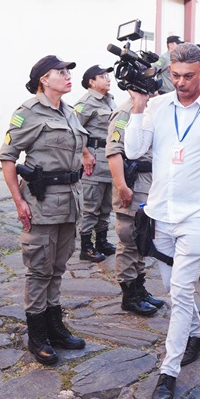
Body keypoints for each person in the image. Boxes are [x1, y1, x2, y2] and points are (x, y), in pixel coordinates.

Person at [125, 44, 200, 399]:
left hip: (197, 216)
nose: (181, 83)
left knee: (179, 292)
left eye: (188, 76)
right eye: (175, 76)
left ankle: (168, 372)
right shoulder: (158, 107)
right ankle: (198, 333)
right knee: (174, 290)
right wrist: (138, 107)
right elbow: (133, 150)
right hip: (160, 214)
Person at [0, 55, 88, 364]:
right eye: (59, 72)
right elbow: (7, 157)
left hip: (70, 201)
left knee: (58, 267)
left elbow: (77, 147)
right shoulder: (28, 112)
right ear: (43, 80)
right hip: (42, 201)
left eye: (67, 71)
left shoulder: (70, 112)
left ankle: (55, 326)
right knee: (39, 269)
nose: (66, 76)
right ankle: (37, 335)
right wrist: (18, 200)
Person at [106, 99, 165, 317]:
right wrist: (121, 185)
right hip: (133, 182)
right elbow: (114, 151)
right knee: (129, 238)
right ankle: (129, 294)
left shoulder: (154, 106)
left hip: (150, 182)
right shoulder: (125, 111)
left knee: (143, 237)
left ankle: (139, 288)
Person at [74, 65, 118, 262]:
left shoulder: (110, 100)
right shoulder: (85, 103)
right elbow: (73, 129)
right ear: (91, 82)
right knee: (90, 206)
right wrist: (84, 154)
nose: (108, 79)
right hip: (93, 160)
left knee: (106, 205)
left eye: (108, 75)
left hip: (108, 160)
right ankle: (86, 247)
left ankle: (101, 241)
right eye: (102, 77)